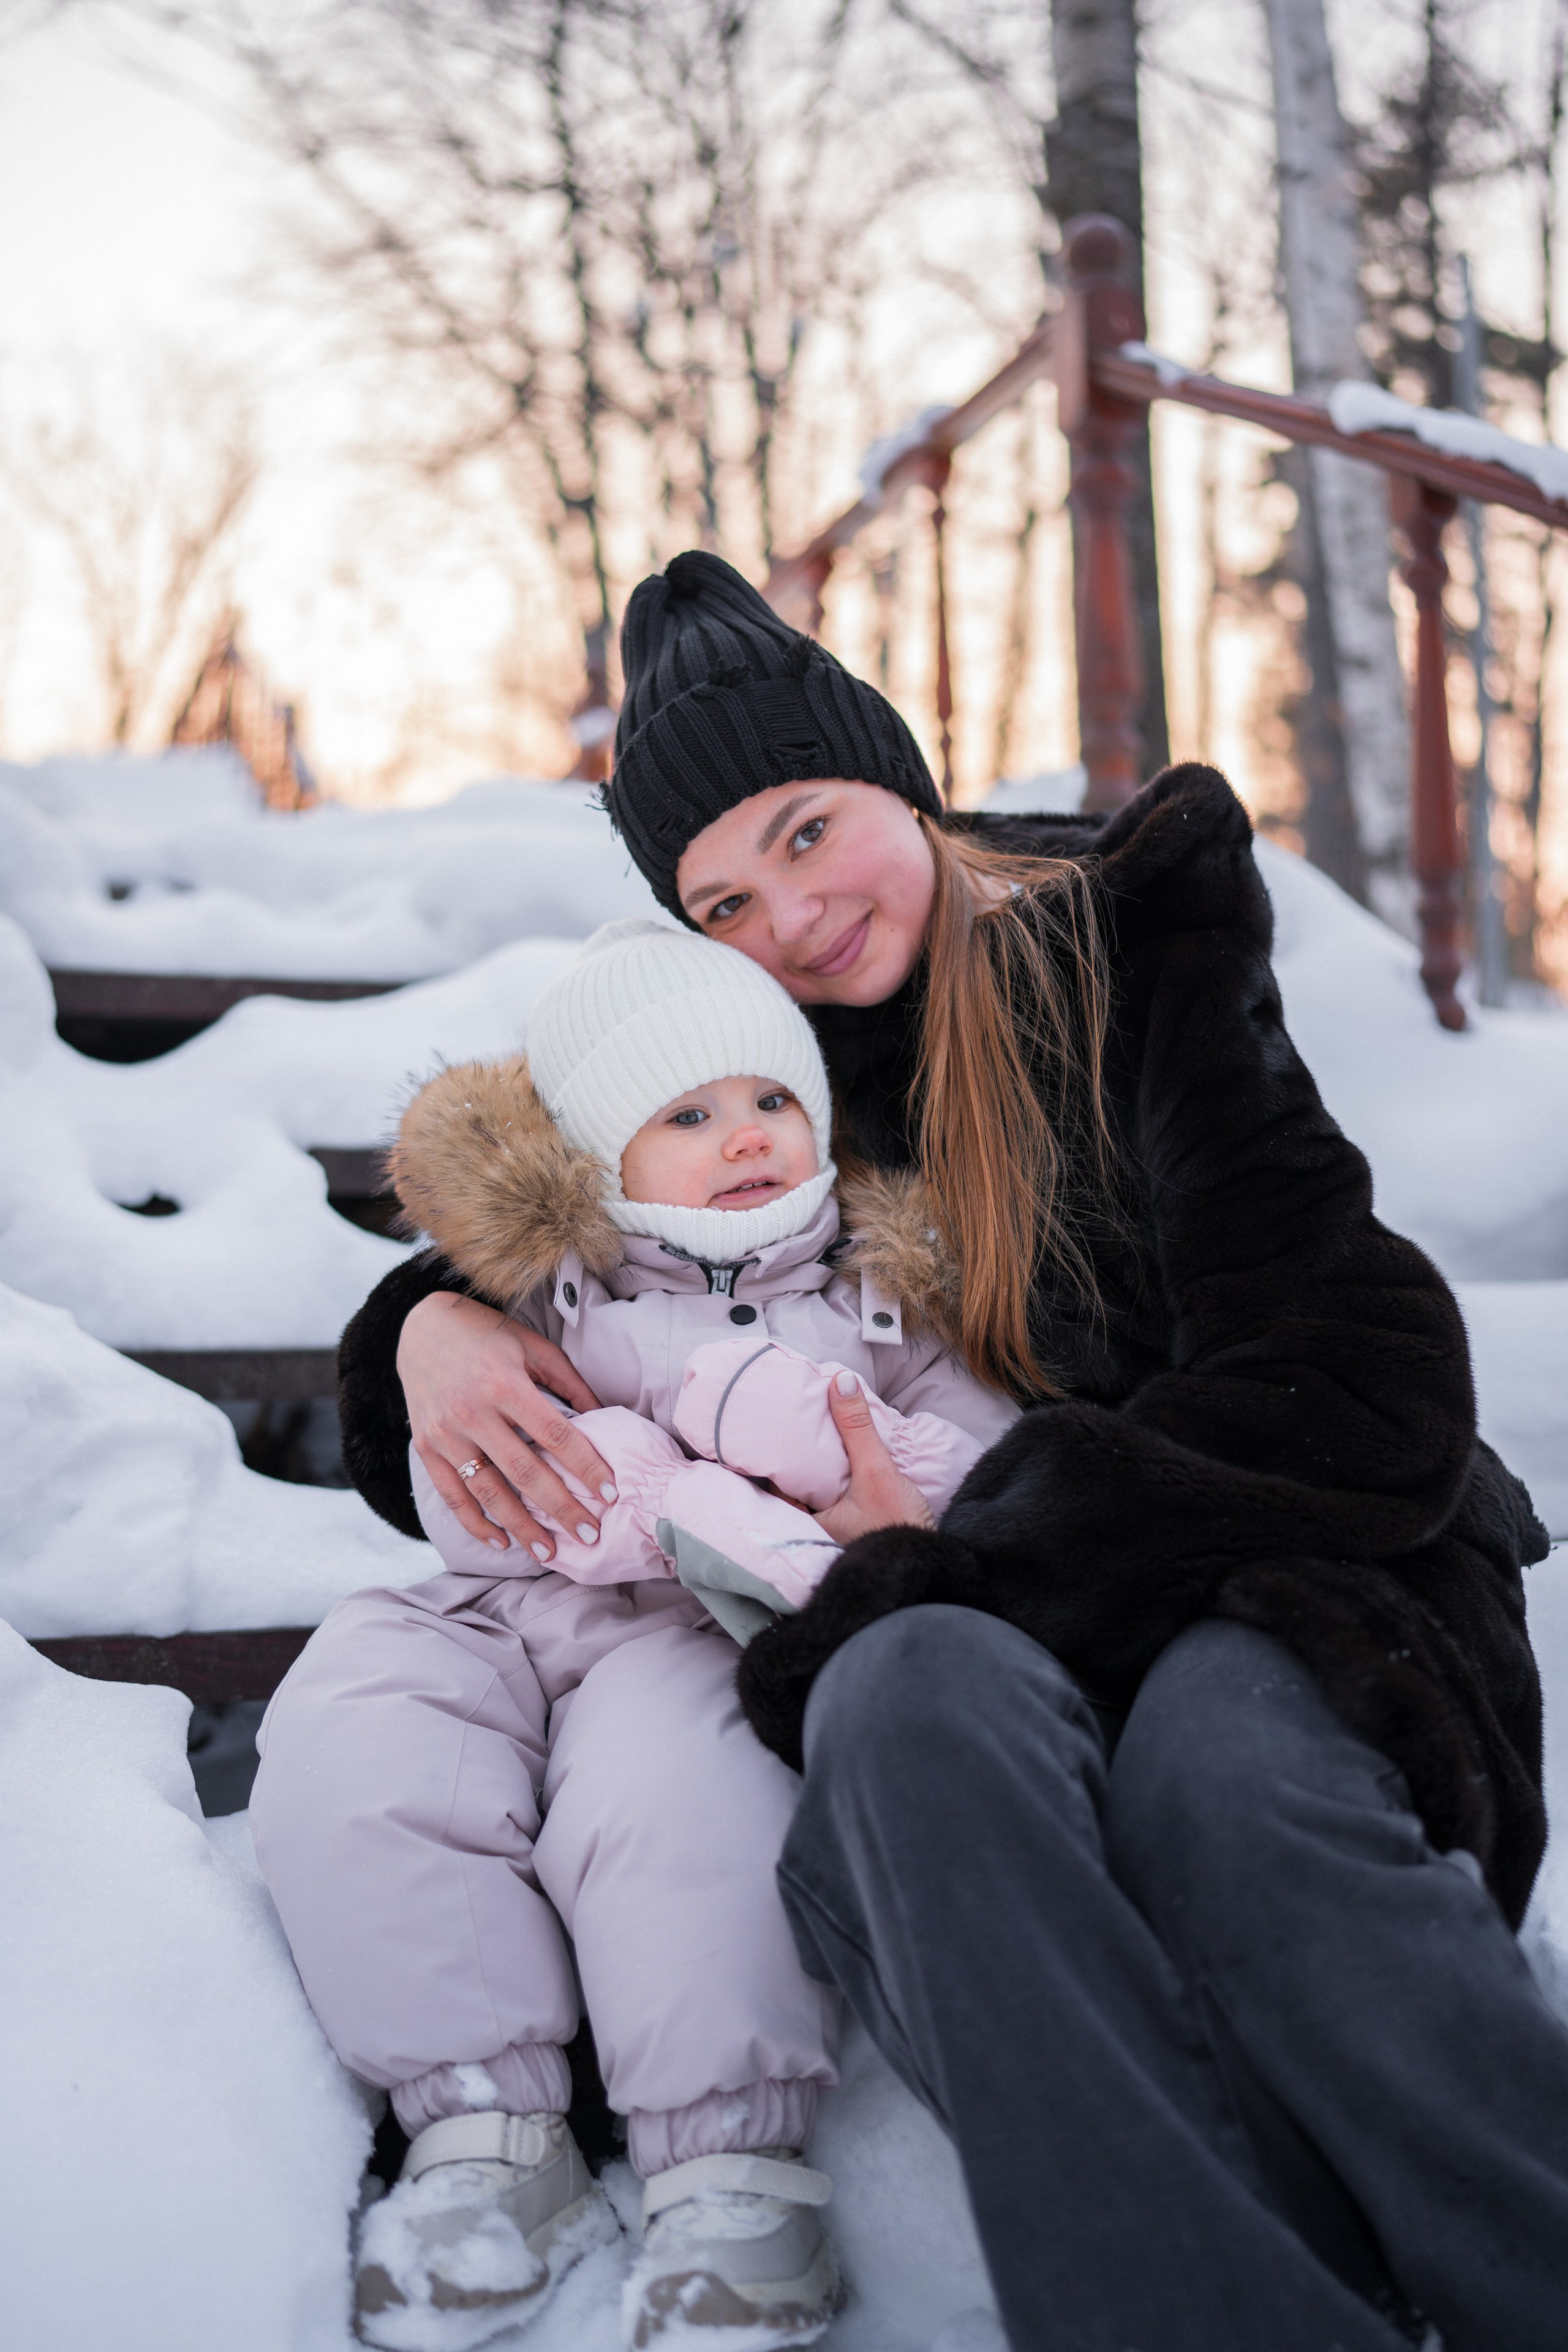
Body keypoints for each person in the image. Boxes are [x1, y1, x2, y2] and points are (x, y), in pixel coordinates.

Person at [339, 553, 1568, 2352]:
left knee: (1219, 1787)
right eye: (727, 900)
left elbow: (1362, 1379)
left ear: (899, 780)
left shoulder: (1132, 954)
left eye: (813, 830)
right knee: (901, 1698)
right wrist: (423, 1333)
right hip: (965, 1623)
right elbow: (611, 1250)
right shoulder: (773, 1079)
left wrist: (978, 1540)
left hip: (1292, 1562)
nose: (796, 916)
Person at [251, 916, 1016, 2351]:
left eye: (771, 1100)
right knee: (358, 1722)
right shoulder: (522, 1295)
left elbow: (984, 1466)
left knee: (680, 1784)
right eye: (688, 1113)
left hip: (710, 1615)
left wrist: (884, 1494)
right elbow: (457, 1484)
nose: (745, 1136)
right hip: (503, 1604)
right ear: (600, 1157)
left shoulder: (876, 1293)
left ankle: (728, 2168)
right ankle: (485, 2143)